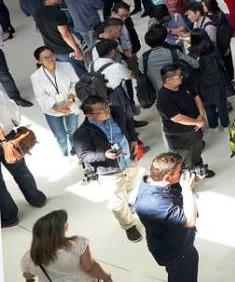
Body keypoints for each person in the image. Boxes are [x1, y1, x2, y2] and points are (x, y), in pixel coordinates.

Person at [72, 97, 143, 242]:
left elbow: (128, 124)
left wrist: (134, 139)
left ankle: (127, 204)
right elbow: (83, 155)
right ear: (88, 115)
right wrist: (104, 155)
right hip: (110, 172)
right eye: (101, 111)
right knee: (117, 200)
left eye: (106, 107)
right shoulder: (82, 133)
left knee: (131, 188)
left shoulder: (116, 112)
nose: (107, 111)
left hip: (129, 161)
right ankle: (129, 225)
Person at [134, 152, 201, 282]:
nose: (182, 173)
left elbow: (171, 188)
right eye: (179, 171)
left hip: (178, 240)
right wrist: (187, 189)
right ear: (166, 177)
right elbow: (189, 220)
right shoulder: (153, 203)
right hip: (175, 253)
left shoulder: (151, 179)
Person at [19, 209, 114, 282]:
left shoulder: (30, 257)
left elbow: (28, 276)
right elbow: (90, 267)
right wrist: (106, 277)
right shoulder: (77, 244)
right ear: (62, 229)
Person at [155, 65, 213, 177]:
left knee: (196, 152)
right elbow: (177, 118)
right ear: (168, 80)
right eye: (179, 76)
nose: (182, 77)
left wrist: (200, 116)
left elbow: (196, 97)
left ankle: (200, 171)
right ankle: (187, 181)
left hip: (195, 129)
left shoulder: (183, 85)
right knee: (183, 160)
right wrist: (197, 122)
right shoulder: (163, 99)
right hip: (179, 135)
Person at [0, 87, 47, 228]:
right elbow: (10, 106)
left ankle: (9, 216)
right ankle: (37, 199)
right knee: (21, 171)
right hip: (9, 139)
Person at [29, 45, 80, 156]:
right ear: (39, 61)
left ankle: (74, 149)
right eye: (46, 58)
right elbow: (40, 96)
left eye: (52, 55)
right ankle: (65, 151)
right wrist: (57, 108)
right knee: (60, 136)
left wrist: (70, 100)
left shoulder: (66, 66)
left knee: (73, 130)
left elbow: (75, 83)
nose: (51, 58)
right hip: (52, 110)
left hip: (70, 104)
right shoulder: (36, 77)